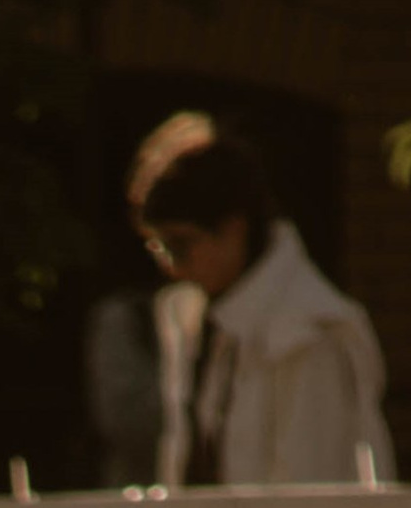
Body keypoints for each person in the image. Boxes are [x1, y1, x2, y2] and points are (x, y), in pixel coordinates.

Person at [129, 117, 393, 489]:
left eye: (180, 244)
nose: (172, 267)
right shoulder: (192, 316)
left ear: (235, 228)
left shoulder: (309, 334)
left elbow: (310, 502)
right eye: (159, 248)